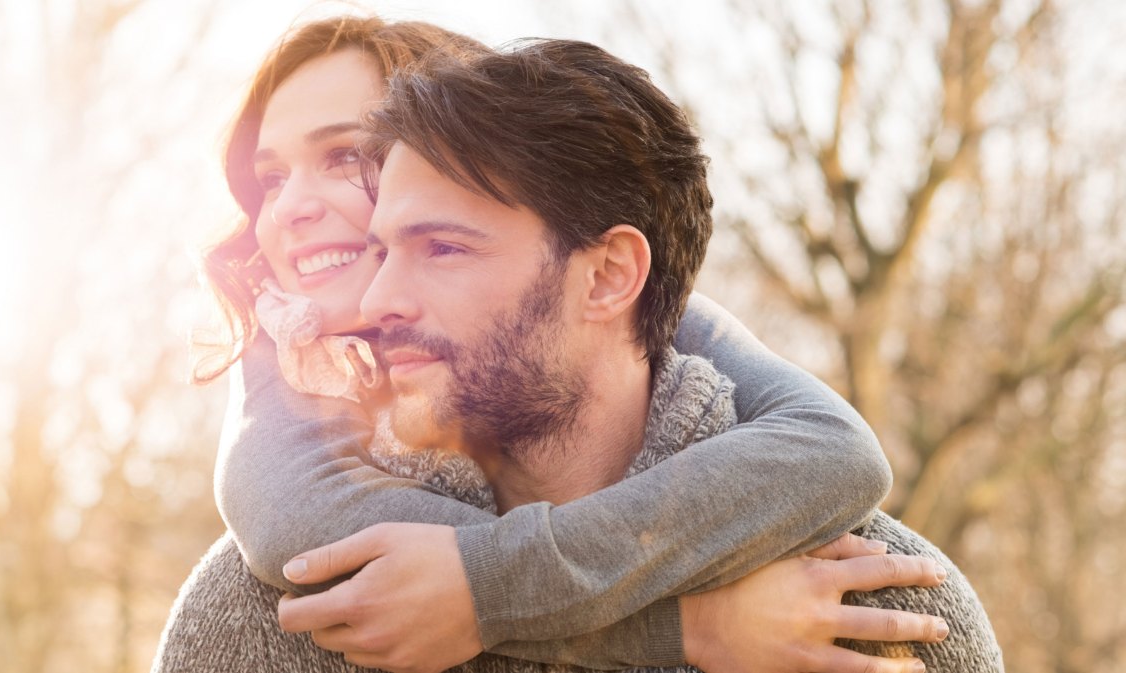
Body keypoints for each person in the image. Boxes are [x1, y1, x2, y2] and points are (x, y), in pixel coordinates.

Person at [150, 16, 998, 673]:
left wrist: (487, 590)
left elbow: (835, 448)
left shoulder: (870, 605)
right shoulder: (263, 598)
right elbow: (304, 529)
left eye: (347, 156)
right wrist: (688, 625)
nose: (289, 208)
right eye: (269, 177)